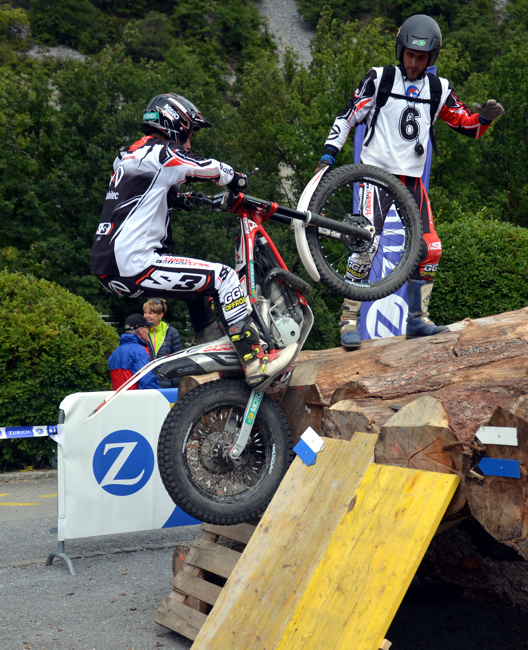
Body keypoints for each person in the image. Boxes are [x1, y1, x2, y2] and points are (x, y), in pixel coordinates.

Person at [315, 14, 505, 350]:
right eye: (409, 55)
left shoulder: (438, 88)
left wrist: (485, 119)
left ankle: (418, 319)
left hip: (412, 181)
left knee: (431, 248)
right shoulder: (380, 78)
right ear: (400, 50)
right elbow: (347, 116)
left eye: (421, 58)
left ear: (432, 58)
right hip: (375, 175)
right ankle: (348, 319)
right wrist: (328, 157)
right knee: (366, 243)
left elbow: (467, 125)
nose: (414, 63)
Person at [91, 93, 297, 390]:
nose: (188, 144)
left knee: (199, 292)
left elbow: (143, 194)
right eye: (189, 135)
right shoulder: (161, 153)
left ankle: (225, 360)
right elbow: (206, 166)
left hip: (108, 265)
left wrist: (183, 199)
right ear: (175, 126)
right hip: (134, 263)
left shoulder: (129, 155)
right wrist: (234, 178)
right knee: (224, 277)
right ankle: (255, 360)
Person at [108, 314, 159, 390]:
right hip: (136, 397)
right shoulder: (139, 351)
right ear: (140, 330)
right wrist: (158, 394)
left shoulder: (115, 352)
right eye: (147, 328)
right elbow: (147, 381)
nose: (148, 331)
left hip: (118, 397)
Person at [143, 297, 183, 388]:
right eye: (145, 312)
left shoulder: (171, 332)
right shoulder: (141, 332)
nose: (146, 316)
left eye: (150, 313)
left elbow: (179, 358)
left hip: (165, 385)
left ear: (160, 315)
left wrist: (173, 380)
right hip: (144, 384)